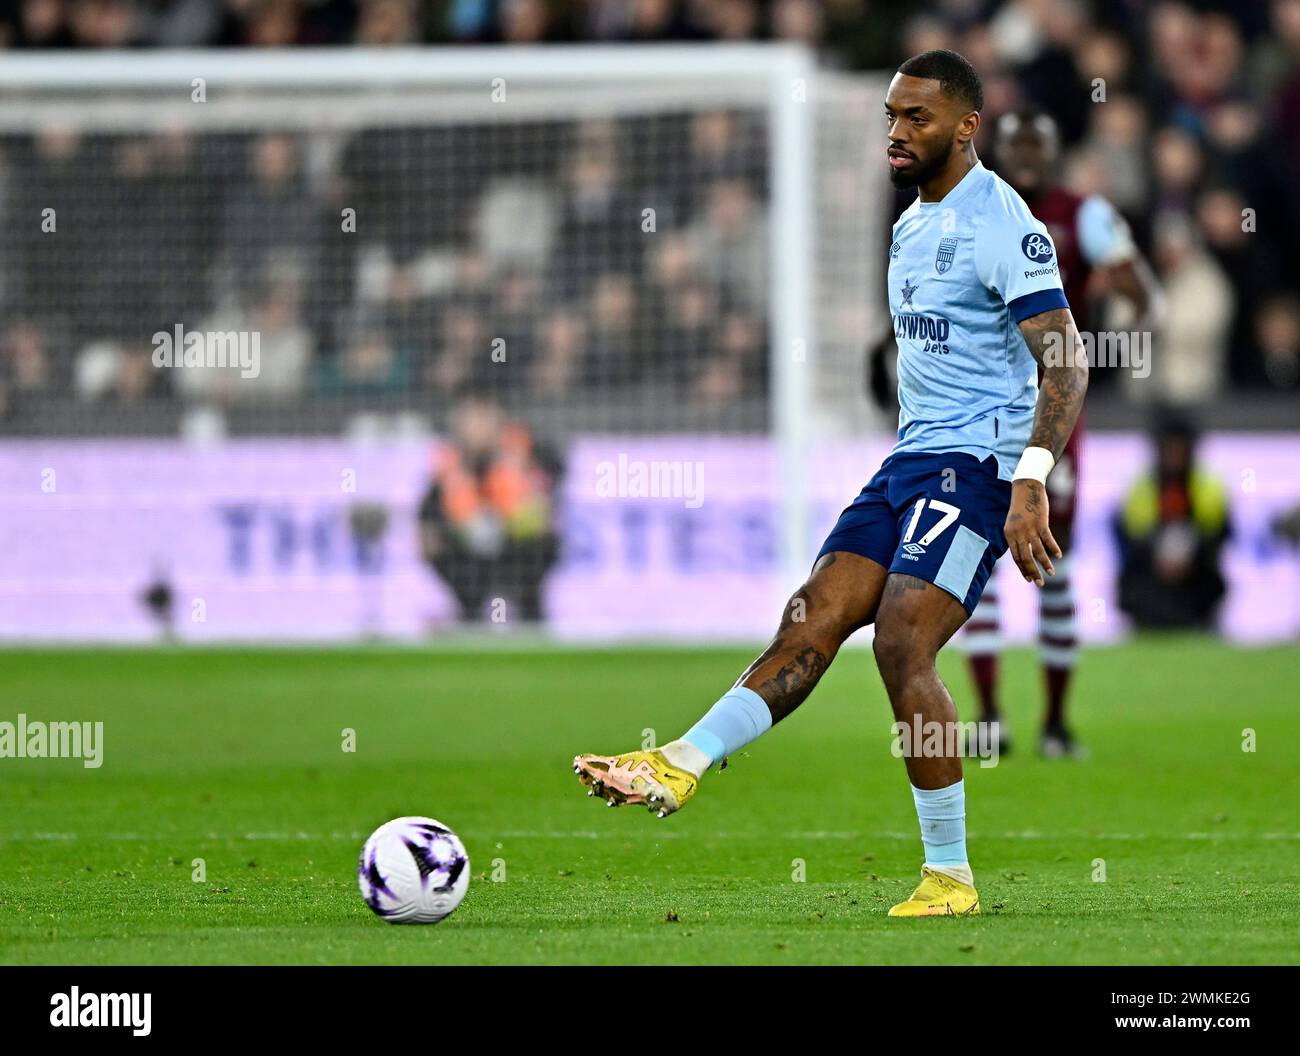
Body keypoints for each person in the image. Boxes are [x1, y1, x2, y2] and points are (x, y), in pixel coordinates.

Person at [572, 50, 1089, 917]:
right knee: (810, 616)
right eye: (891, 115)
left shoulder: (1001, 220)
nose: (895, 132)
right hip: (910, 462)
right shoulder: (911, 222)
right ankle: (678, 766)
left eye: (916, 118)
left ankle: (950, 875)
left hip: (979, 468)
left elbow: (1066, 360)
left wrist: (1030, 481)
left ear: (966, 127)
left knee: (899, 643)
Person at [964, 110, 1165, 759]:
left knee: (1056, 560)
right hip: (978, 412)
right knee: (981, 561)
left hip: (1052, 411)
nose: (1025, 158)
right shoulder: (972, 208)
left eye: (1036, 147)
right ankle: (991, 716)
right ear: (998, 150)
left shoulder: (1085, 214)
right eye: (1015, 146)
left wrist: (1101, 343)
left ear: (1054, 153)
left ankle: (1055, 723)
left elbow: (1148, 299)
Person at [417, 393, 562, 624]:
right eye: (470, 419)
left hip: (520, 550)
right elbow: (427, 516)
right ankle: (468, 612)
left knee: (540, 544)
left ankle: (530, 613)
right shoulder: (450, 467)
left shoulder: (528, 455)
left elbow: (552, 485)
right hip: (468, 556)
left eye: (483, 418)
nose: (477, 427)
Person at [1115, 413, 1229, 629]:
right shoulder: (1142, 487)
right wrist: (1159, 557)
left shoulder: (1208, 486)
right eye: (1170, 448)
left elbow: (1219, 534)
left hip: (1196, 575)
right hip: (1151, 574)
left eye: (1180, 448)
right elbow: (1130, 537)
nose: (1174, 455)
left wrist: (1190, 555)